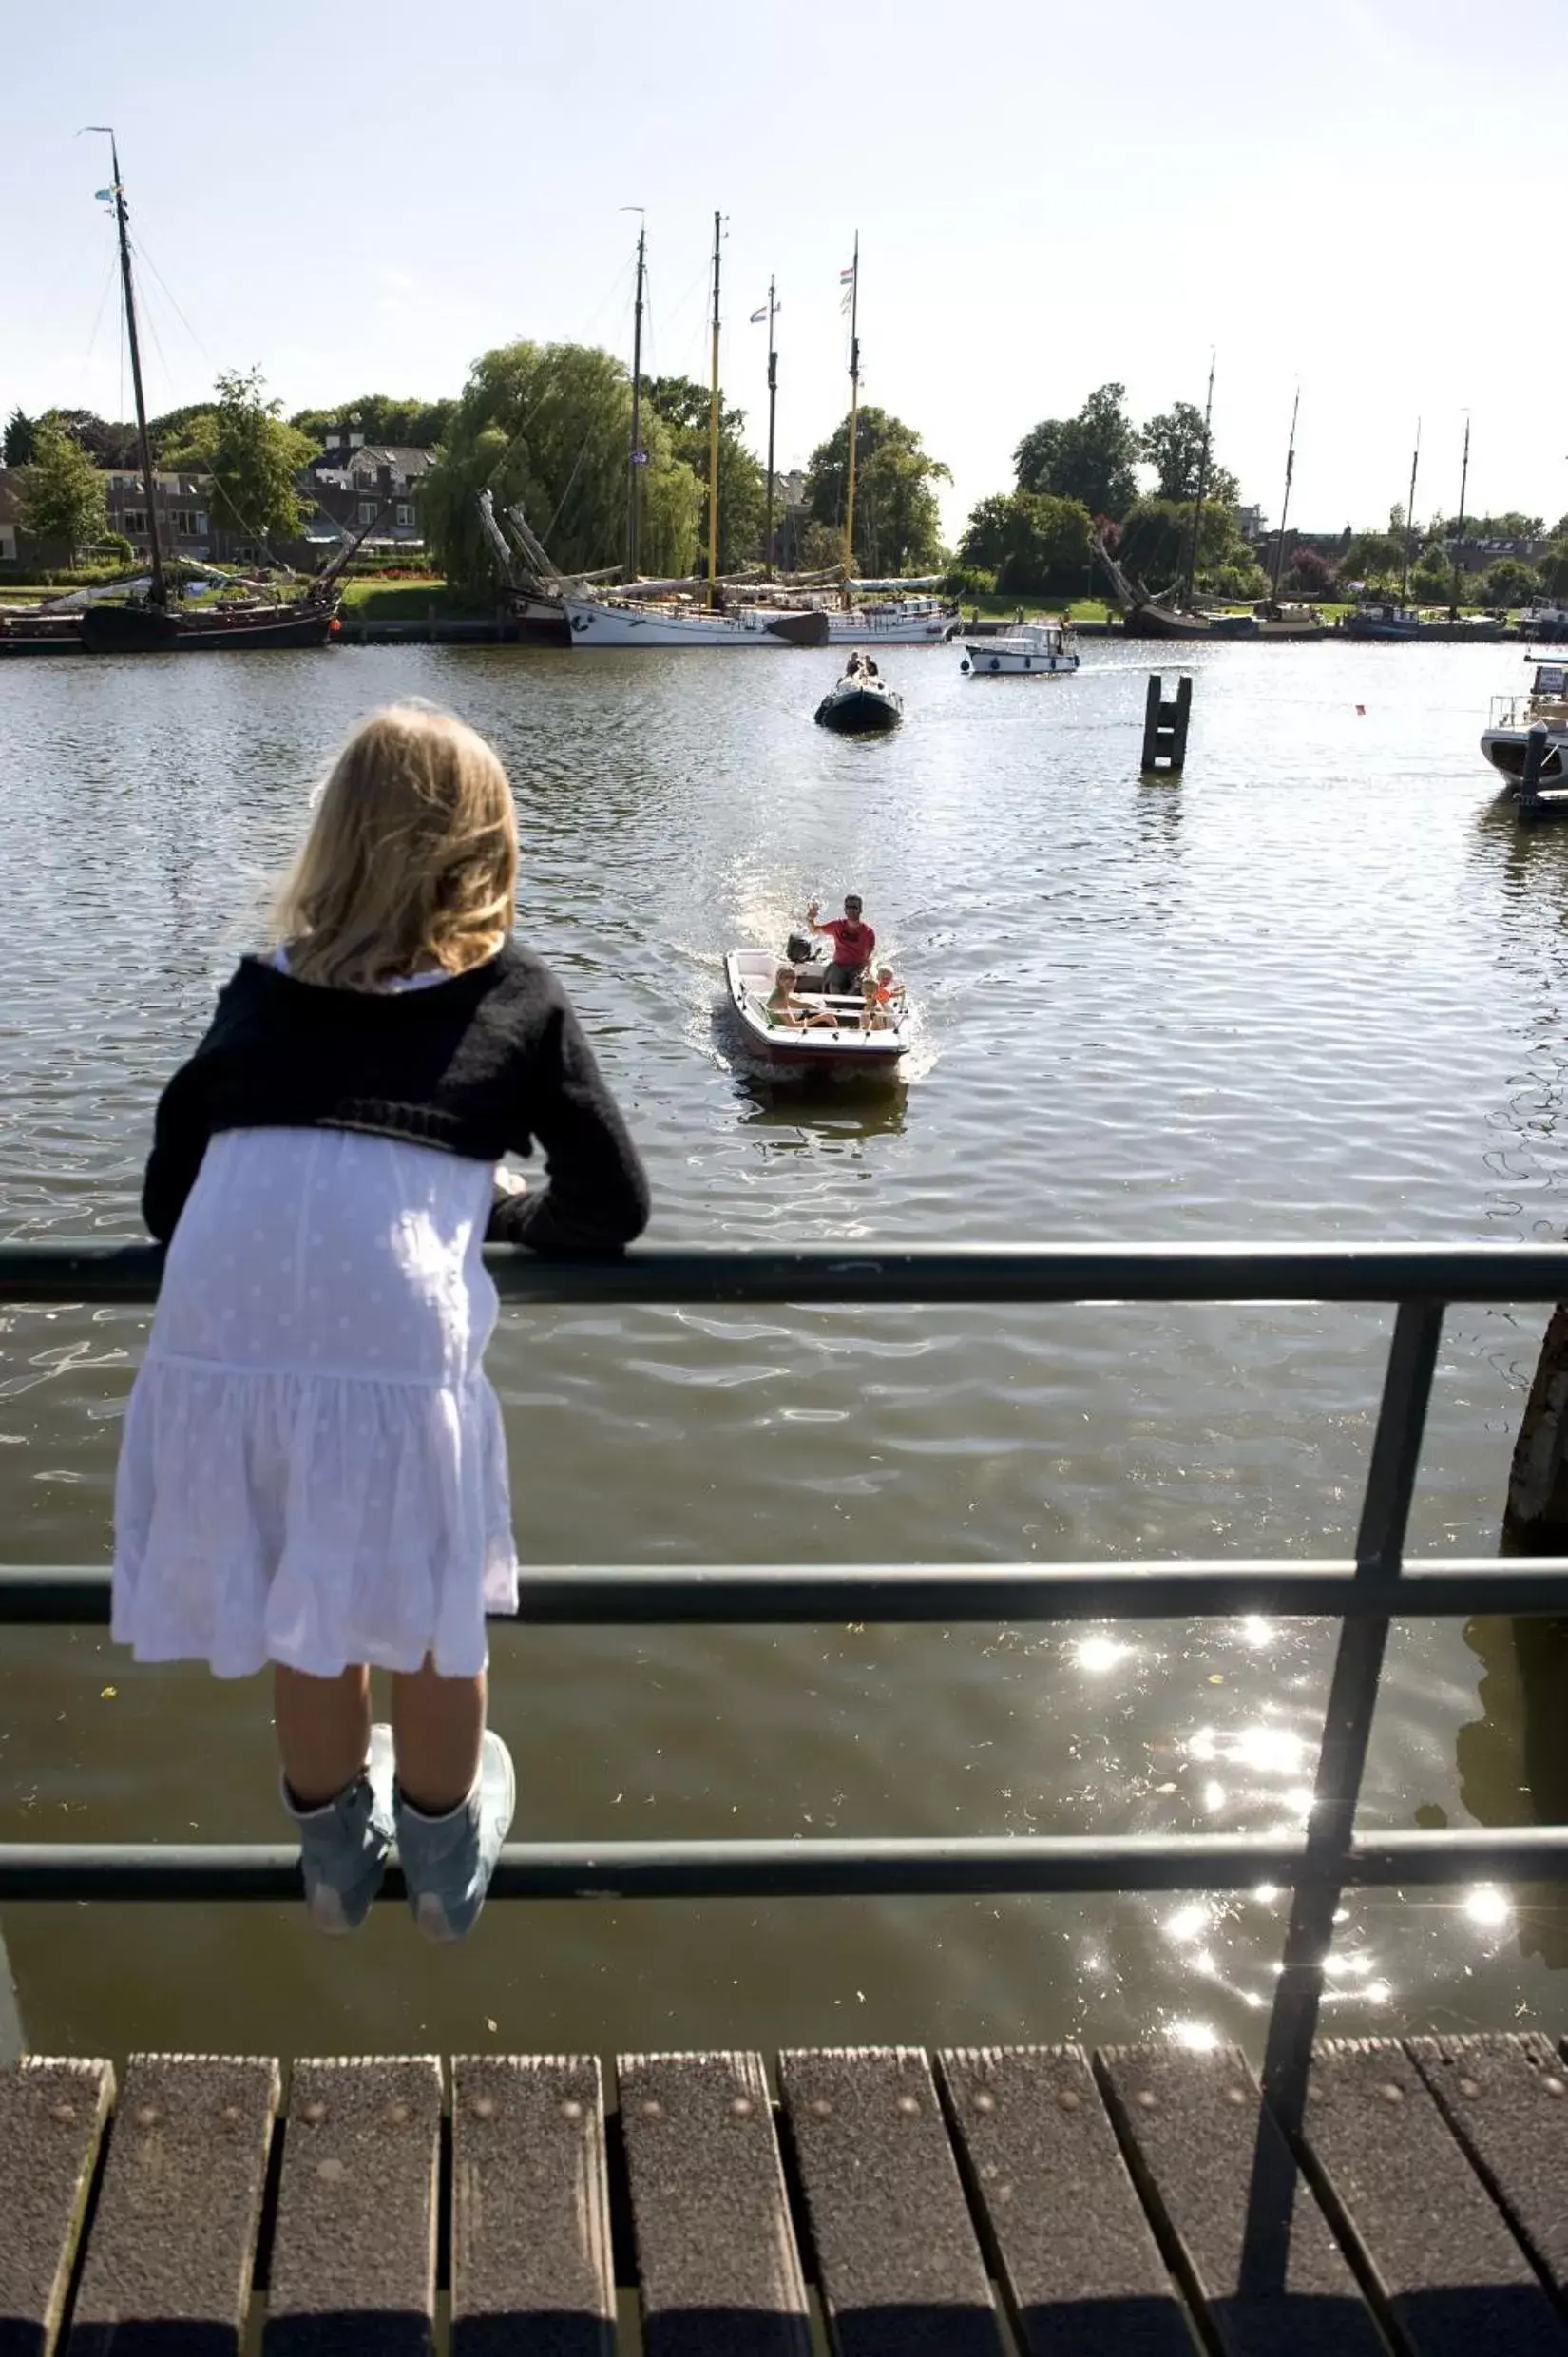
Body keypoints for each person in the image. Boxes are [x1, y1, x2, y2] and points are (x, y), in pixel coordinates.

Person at [113, 702, 650, 1944]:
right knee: (432, 1611)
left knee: (313, 1607)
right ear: (486, 853)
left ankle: (332, 1861)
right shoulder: (511, 1000)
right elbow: (611, 1205)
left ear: (331, 845)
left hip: (220, 1340)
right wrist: (504, 1215)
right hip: (391, 1348)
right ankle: (445, 1850)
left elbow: (163, 1196)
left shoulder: (256, 998)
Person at [806, 893, 876, 996]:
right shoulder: (837, 925)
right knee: (833, 985)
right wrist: (810, 919)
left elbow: (870, 955)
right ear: (845, 909)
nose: (851, 910)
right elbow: (814, 930)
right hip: (838, 966)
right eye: (848, 907)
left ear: (860, 910)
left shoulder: (868, 932)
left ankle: (846, 1002)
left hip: (857, 967)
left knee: (858, 985)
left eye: (855, 907)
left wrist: (865, 971)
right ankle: (836, 1005)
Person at [765, 965, 833, 1029]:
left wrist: (824, 1010)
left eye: (793, 977)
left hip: (783, 1028)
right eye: (786, 977)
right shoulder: (780, 1000)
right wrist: (821, 1017)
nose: (790, 980)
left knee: (817, 1015)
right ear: (779, 980)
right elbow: (792, 1025)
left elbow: (802, 1004)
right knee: (822, 1022)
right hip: (780, 1032)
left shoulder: (780, 993)